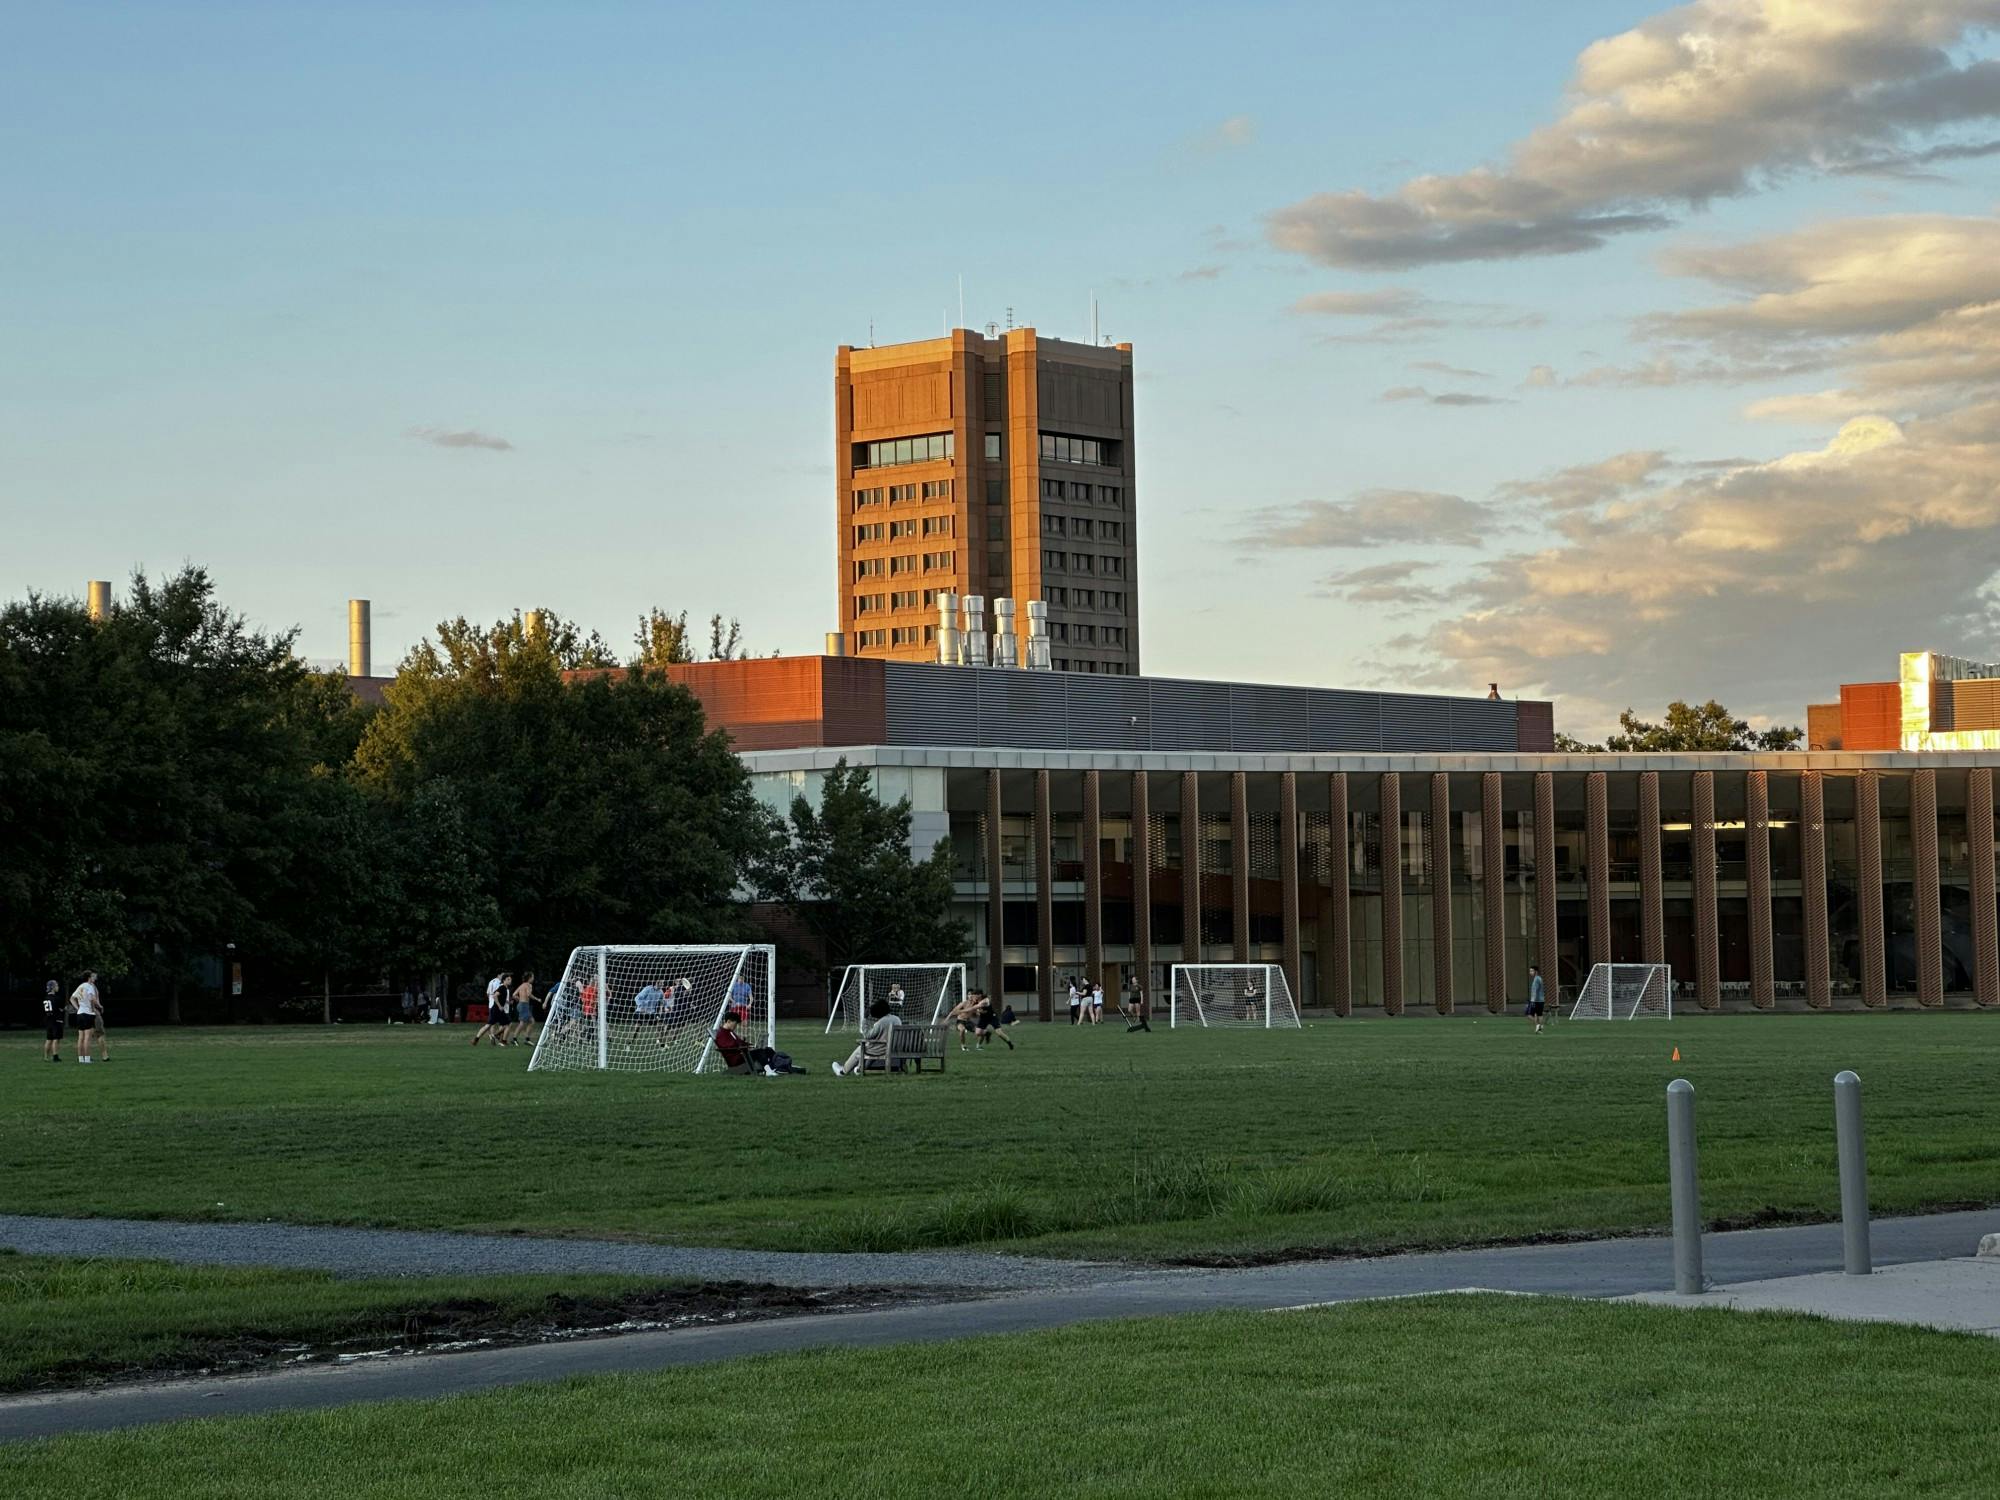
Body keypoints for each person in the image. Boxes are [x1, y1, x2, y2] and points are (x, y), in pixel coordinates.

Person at [711, 1011, 803, 1076]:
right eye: (735, 1024)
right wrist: (742, 1047)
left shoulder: (730, 1032)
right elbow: (727, 1046)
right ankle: (769, 1071)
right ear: (728, 1021)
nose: (735, 1026)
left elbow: (738, 1042)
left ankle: (779, 1066)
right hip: (738, 1060)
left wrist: (748, 1044)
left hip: (742, 1054)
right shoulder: (722, 1034)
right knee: (759, 1052)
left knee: (767, 1050)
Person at [833, 997, 898, 1076]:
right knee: (867, 1046)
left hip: (882, 1049)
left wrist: (865, 1019)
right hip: (894, 1048)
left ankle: (843, 1071)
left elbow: (867, 1036)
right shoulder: (897, 1019)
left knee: (861, 1049)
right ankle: (859, 1069)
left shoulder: (881, 1022)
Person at [68, 971, 101, 1064]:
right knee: (87, 1038)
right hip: (88, 1014)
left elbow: (71, 998)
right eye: (92, 977)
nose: (93, 978)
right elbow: (92, 999)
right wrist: (99, 1006)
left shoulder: (80, 986)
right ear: (89, 977)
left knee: (80, 1038)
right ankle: (87, 1059)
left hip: (80, 1014)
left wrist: (78, 1008)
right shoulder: (90, 986)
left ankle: (80, 1059)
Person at [473, 972, 511, 1045]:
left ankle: (499, 1037)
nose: (510, 981)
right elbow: (495, 996)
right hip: (496, 1010)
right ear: (504, 980)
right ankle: (476, 1039)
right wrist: (500, 1006)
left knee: (507, 1024)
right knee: (488, 1025)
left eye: (510, 979)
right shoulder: (502, 987)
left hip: (499, 1010)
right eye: (508, 979)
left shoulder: (505, 988)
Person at [633, 978, 666, 1046]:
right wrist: (641, 1007)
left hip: (651, 1013)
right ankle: (631, 1042)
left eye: (663, 983)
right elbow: (637, 998)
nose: (663, 984)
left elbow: (662, 1002)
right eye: (662, 983)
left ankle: (660, 1042)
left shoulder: (661, 992)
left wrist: (663, 1009)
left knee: (660, 1026)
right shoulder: (648, 989)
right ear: (657, 982)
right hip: (641, 1011)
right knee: (637, 1028)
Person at [507, 971, 537, 1045]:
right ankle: (514, 1039)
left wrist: (520, 999)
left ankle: (527, 1039)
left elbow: (514, 995)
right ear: (529, 978)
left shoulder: (522, 985)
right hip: (524, 1005)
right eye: (532, 977)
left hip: (521, 1005)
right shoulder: (529, 985)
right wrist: (537, 999)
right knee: (522, 1023)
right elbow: (529, 994)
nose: (533, 978)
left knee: (531, 1021)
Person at [42, 979, 65, 1062]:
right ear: (53, 987)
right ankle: (55, 1056)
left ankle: (46, 1057)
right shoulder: (57, 998)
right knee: (56, 1038)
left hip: (48, 1020)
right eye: (56, 985)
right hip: (56, 1020)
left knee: (49, 1039)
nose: (58, 987)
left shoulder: (46, 998)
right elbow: (61, 1009)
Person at [1527, 965, 1547, 1034]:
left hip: (1536, 1000)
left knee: (1529, 1014)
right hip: (1541, 1000)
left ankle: (1538, 1025)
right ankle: (1540, 1029)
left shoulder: (1536, 979)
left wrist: (1533, 1000)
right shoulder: (1539, 978)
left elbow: (1535, 990)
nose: (1530, 972)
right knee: (1539, 1015)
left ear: (1536, 971)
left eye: (1532, 971)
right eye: (1530, 971)